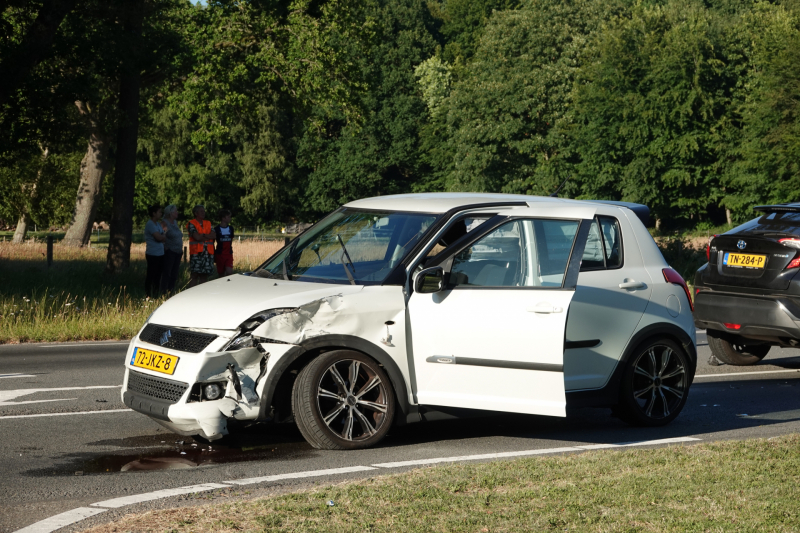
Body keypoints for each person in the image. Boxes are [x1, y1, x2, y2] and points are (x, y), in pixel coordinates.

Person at [186, 205, 215, 287]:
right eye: (201, 211)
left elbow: (214, 235)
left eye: (204, 211)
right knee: (195, 275)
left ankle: (202, 295)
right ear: (196, 213)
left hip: (208, 253)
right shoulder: (191, 223)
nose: (203, 213)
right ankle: (191, 294)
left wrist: (203, 235)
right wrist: (206, 236)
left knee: (204, 275)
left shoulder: (208, 223)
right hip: (196, 254)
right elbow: (197, 237)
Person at [144, 205, 166, 298]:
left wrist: (162, 237)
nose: (161, 214)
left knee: (158, 275)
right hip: (153, 254)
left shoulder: (158, 224)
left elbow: (162, 236)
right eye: (159, 212)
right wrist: (163, 237)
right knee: (151, 274)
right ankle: (148, 294)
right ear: (154, 213)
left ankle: (156, 293)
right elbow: (159, 237)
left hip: (160, 253)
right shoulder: (150, 224)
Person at [160, 204, 183, 294]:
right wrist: (166, 248)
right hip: (170, 252)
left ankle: (171, 290)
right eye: (175, 211)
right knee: (167, 272)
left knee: (174, 273)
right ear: (170, 213)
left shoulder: (175, 223)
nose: (177, 213)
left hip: (178, 252)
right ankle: (163, 291)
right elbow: (162, 236)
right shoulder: (165, 223)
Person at [213, 209, 235, 277]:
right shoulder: (216, 229)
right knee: (221, 275)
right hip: (219, 255)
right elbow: (212, 242)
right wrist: (214, 254)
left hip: (228, 254)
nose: (230, 219)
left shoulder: (231, 228)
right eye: (228, 217)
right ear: (223, 218)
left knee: (229, 272)